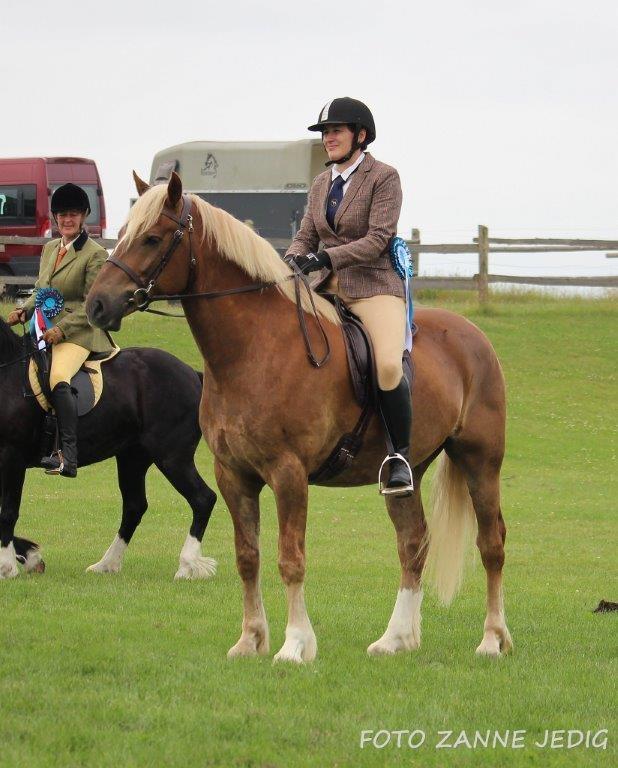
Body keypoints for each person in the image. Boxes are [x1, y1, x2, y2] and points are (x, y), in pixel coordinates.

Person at [285, 97, 413, 496]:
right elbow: (306, 234)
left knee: (389, 365)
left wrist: (325, 256)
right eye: (325, 132)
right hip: (325, 290)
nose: (328, 138)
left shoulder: (384, 177)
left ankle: (398, 457)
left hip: (373, 287)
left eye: (336, 130)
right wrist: (287, 262)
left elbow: (377, 239)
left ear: (360, 135)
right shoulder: (322, 182)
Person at [7, 183, 114, 478]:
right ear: (55, 218)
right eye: (62, 214)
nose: (67, 220)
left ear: (83, 218)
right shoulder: (50, 248)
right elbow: (43, 289)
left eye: (73, 214)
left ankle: (66, 454)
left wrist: (62, 331)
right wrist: (24, 310)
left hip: (79, 332)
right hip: (41, 327)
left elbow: (91, 305)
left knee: (56, 378)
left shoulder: (95, 254)